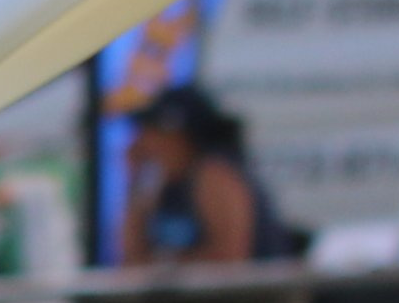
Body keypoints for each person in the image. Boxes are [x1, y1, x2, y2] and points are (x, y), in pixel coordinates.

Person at [115, 81, 300, 268]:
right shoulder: (159, 184)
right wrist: (135, 180)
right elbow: (131, 260)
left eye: (150, 133)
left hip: (248, 287)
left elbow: (229, 260)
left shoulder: (215, 174)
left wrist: (162, 268)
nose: (143, 143)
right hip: (190, 285)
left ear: (178, 137)